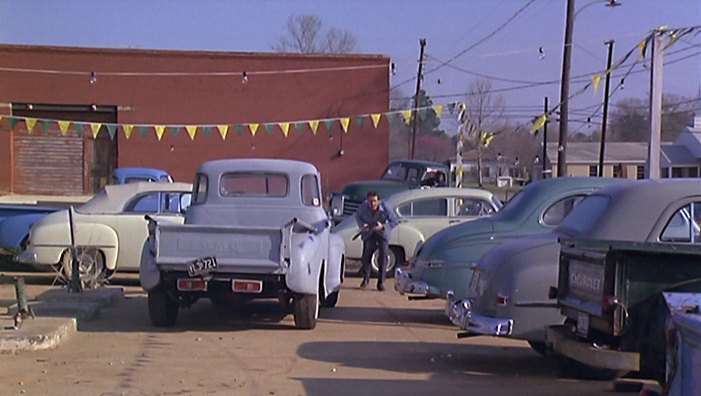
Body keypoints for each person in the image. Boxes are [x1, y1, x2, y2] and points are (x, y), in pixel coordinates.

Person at [355, 191, 398, 291]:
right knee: (366, 256)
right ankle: (366, 279)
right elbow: (357, 216)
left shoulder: (386, 208)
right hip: (369, 233)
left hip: (382, 233)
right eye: (370, 201)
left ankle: (381, 282)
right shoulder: (362, 208)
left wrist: (383, 226)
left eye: (374, 201)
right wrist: (363, 225)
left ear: (378, 201)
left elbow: (395, 221)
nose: (372, 204)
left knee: (383, 257)